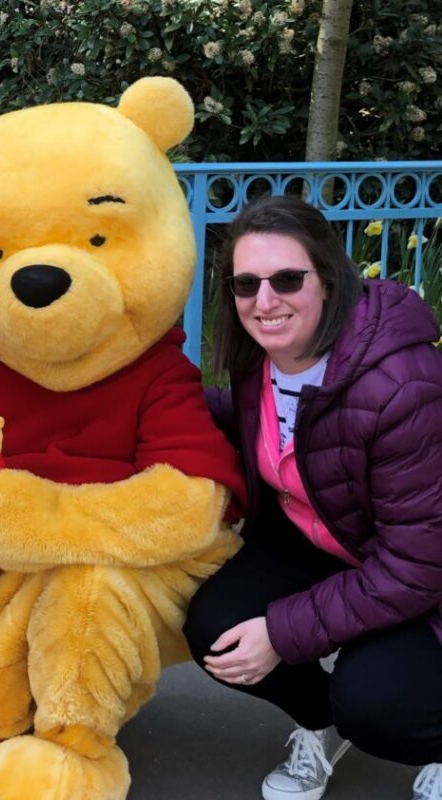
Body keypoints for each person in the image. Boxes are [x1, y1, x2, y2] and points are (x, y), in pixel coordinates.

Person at [182, 195, 442, 800]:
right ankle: (318, 723)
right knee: (217, 631)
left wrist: (283, 631)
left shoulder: (401, 387)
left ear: (327, 278)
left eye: (287, 279)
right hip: (326, 537)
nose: (264, 301)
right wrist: (143, 405)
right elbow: (270, 429)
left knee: (380, 705)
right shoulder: (261, 361)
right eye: (246, 284)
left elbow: (417, 567)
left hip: (417, 571)